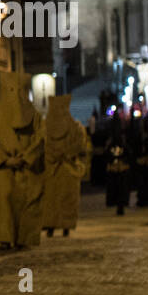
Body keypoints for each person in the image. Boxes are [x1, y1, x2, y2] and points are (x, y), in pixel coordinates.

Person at [0, 72, 45, 250]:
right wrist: (5, 160)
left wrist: (25, 157)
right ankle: (5, 237)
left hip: (27, 167)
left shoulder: (35, 116)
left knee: (28, 201)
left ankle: (25, 236)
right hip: (5, 169)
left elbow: (40, 139)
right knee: (4, 202)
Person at [41, 95, 89, 237]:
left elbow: (79, 145)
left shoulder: (74, 128)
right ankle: (53, 225)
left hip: (64, 169)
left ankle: (64, 225)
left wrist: (62, 154)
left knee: (65, 198)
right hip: (54, 169)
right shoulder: (46, 128)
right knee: (53, 200)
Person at [104, 117, 132, 216]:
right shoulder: (116, 142)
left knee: (120, 188)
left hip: (119, 167)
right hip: (117, 167)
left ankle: (120, 205)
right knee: (118, 188)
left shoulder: (119, 142)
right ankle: (118, 204)